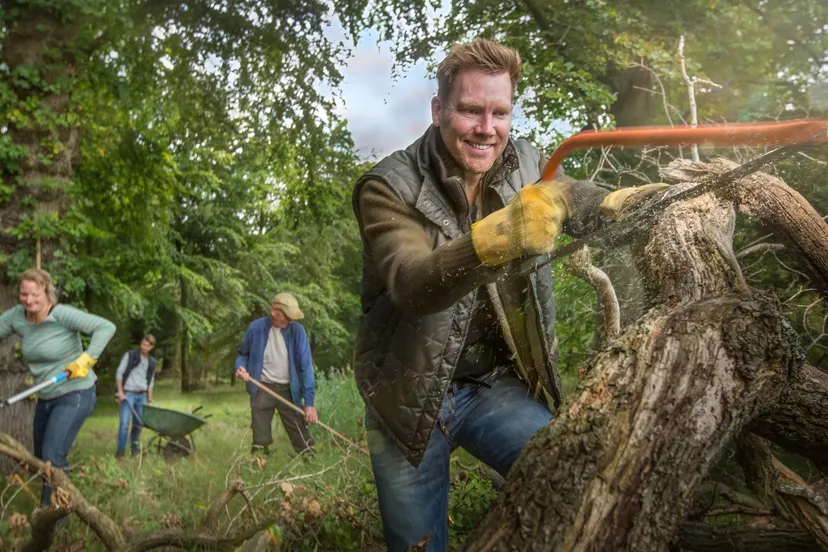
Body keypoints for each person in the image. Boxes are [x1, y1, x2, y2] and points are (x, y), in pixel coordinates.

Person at [352, 38, 669, 551]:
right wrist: (497, 238)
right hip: (406, 398)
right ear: (438, 110)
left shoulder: (523, 159)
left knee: (576, 480)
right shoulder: (387, 187)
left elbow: (567, 195)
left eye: (500, 112)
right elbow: (412, 284)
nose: (486, 128)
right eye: (471, 111)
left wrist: (614, 205)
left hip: (493, 388)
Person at [0, 268, 116, 506]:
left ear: (47, 293)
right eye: (24, 294)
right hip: (45, 396)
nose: (29, 300)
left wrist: (85, 360)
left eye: (35, 294)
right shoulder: (17, 317)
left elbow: (105, 327)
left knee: (52, 458)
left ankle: (51, 520)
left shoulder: (61, 314)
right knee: (43, 458)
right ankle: (62, 508)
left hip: (76, 392)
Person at [234, 293, 317, 455]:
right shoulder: (255, 329)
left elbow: (306, 367)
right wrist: (240, 367)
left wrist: (309, 402)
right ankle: (260, 467)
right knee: (260, 438)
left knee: (300, 434)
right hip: (262, 388)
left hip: (288, 391)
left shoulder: (298, 332)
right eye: (287, 316)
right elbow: (242, 354)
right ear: (274, 311)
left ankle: (313, 465)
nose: (291, 321)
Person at [114, 334, 157, 458]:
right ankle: (120, 453)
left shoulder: (152, 362)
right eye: (143, 344)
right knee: (124, 424)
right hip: (128, 394)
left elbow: (150, 381)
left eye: (147, 346)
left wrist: (149, 398)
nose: (144, 347)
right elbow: (119, 373)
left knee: (138, 424)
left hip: (142, 395)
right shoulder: (131, 355)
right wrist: (120, 392)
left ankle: (135, 450)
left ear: (152, 347)